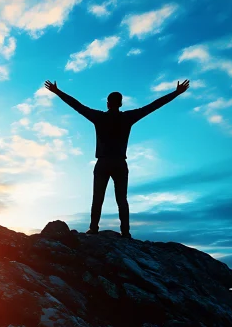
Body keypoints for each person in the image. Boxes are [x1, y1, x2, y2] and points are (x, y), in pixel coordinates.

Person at [44, 79, 190, 239]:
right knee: (122, 199)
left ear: (108, 103)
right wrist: (176, 93)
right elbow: (153, 106)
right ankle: (125, 232)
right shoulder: (128, 117)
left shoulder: (99, 117)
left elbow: (77, 105)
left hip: (103, 162)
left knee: (97, 197)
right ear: (120, 104)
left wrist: (57, 92)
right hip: (120, 163)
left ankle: (93, 228)